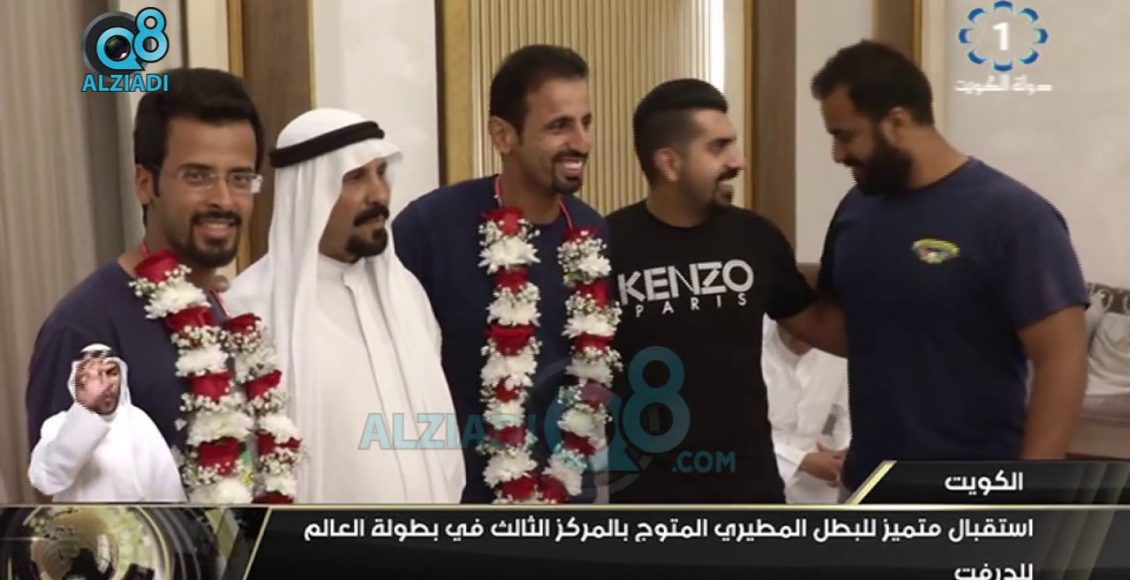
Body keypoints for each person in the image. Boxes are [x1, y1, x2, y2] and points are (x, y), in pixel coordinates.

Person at [810, 40, 1089, 493]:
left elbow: (1061, 356)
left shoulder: (1016, 218)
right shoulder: (856, 210)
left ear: (896, 122)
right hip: (867, 489)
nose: (838, 154)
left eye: (845, 135)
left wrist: (1031, 491)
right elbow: (847, 328)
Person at [393, 44, 614, 504]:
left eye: (586, 122)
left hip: (567, 500)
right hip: (456, 504)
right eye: (559, 126)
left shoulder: (592, 233)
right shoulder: (431, 228)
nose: (581, 142)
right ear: (503, 135)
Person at [606, 78, 844, 504]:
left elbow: (821, 328)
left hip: (750, 492)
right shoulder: (607, 245)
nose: (738, 161)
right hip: (647, 498)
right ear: (669, 164)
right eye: (718, 147)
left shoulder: (756, 237)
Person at [26, 68, 263, 479]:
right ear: (144, 183)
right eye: (198, 176)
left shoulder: (225, 311)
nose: (224, 199)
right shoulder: (86, 328)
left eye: (240, 178)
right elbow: (58, 500)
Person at [224, 108, 465, 503]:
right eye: (355, 177)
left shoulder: (405, 293)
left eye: (381, 172)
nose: (379, 194)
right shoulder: (249, 309)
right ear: (309, 192)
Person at [28, 344, 185, 502]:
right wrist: (85, 409)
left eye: (111, 373)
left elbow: (168, 491)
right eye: (93, 376)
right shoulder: (57, 424)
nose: (105, 384)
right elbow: (46, 482)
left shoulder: (139, 422)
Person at [762, 317, 850, 504]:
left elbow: (849, 413)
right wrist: (799, 461)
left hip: (822, 483)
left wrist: (844, 457)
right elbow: (734, 434)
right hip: (759, 471)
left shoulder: (836, 343)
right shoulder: (747, 346)